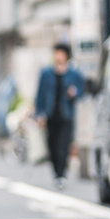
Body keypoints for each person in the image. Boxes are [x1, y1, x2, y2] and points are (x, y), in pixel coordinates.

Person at [34, 42, 86, 189]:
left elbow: (82, 92)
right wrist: (39, 114)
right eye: (56, 52)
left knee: (63, 145)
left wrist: (74, 93)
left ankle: (62, 175)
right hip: (50, 114)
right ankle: (56, 173)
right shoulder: (46, 73)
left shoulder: (74, 74)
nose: (58, 56)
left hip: (66, 115)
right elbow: (40, 94)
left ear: (66, 55)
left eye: (61, 53)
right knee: (51, 145)